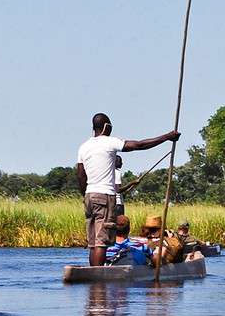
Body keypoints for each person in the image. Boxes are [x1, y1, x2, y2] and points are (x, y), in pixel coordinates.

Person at [76, 113, 180, 266]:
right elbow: (138, 145)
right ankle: (98, 280)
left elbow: (80, 175)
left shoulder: (84, 147)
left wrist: (85, 194)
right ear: (106, 126)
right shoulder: (109, 142)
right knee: (101, 241)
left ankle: (93, 278)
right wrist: (167, 137)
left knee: (93, 242)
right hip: (104, 196)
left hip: (89, 196)